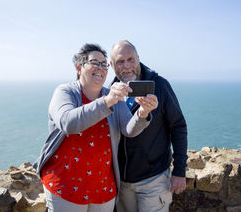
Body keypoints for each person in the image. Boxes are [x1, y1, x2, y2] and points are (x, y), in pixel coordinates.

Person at [33, 43, 158, 212]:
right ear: (79, 68)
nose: (101, 68)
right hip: (65, 186)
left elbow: (128, 130)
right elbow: (68, 123)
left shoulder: (111, 95)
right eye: (95, 62)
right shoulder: (65, 92)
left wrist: (143, 113)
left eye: (104, 64)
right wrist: (107, 101)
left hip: (103, 188)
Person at [110, 40, 188, 212]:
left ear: (138, 59)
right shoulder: (112, 92)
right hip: (122, 183)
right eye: (120, 62)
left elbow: (178, 127)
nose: (127, 66)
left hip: (154, 179)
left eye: (131, 59)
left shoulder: (159, 85)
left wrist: (179, 171)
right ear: (112, 64)